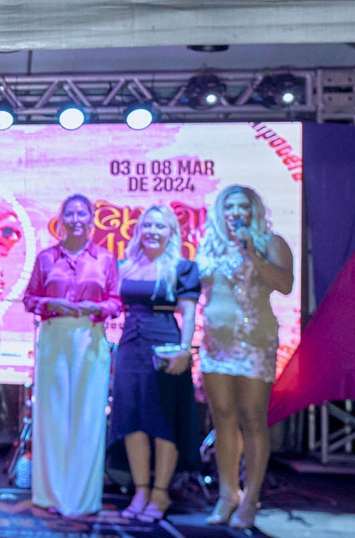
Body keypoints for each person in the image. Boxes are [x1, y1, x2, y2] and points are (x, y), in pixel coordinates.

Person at [197, 185, 293, 530]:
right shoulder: (208, 243)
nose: (236, 212)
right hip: (215, 344)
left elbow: (284, 285)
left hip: (254, 340)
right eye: (230, 206)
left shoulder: (271, 242)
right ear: (221, 212)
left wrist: (253, 254)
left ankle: (250, 499)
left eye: (243, 206)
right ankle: (227, 495)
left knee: (252, 417)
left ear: (254, 210)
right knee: (222, 418)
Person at [22, 193, 119, 517]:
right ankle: (50, 494)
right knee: (52, 416)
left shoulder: (105, 258)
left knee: (88, 417)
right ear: (61, 220)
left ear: (91, 220)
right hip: (54, 338)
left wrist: (97, 307)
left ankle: (81, 497)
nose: (76, 219)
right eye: (70, 214)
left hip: (89, 338)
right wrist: (49, 303)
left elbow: (117, 302)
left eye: (83, 214)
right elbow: (29, 298)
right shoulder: (46, 258)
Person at [108, 206, 201, 522]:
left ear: (171, 232)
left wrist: (183, 350)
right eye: (146, 224)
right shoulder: (125, 266)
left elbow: (188, 314)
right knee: (131, 419)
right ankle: (140, 489)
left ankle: (161, 493)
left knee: (163, 421)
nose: (151, 230)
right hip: (130, 344)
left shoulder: (182, 267)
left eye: (159, 226)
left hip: (164, 343)